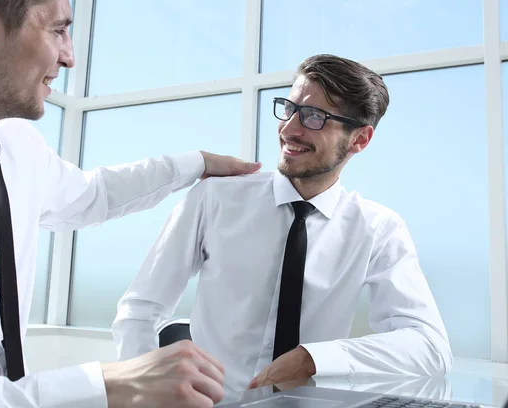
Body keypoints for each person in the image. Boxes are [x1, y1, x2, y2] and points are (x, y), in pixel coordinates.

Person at [0, 1, 262, 407]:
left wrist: (194, 164)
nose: (70, 56)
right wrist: (102, 387)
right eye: (57, 30)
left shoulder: (16, 146)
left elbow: (91, 195)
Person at [113, 54, 453, 395]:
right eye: (289, 108)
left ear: (359, 139)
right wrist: (146, 395)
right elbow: (141, 309)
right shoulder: (216, 197)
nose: (289, 128)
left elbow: (430, 347)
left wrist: (315, 358)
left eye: (314, 117)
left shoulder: (377, 229)